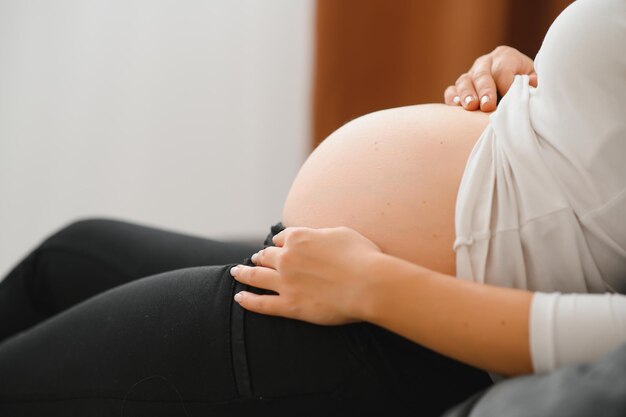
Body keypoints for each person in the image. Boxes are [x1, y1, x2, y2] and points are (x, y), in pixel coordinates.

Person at [1, 0, 624, 415]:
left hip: (388, 329)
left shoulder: (374, 295)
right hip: (350, 280)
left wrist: (369, 285)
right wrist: (548, 92)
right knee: (66, 260)